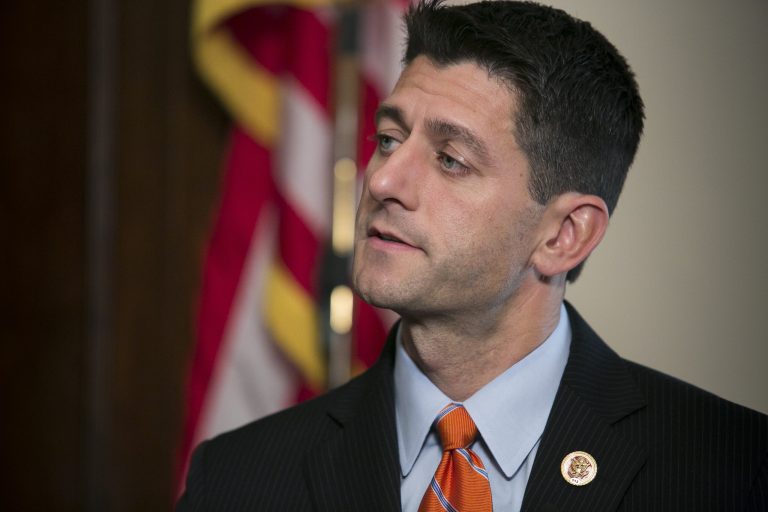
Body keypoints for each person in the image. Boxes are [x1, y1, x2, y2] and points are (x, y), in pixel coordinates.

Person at [177, 1, 768, 510]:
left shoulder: (733, 471)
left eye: (451, 159)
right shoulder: (234, 480)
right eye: (388, 139)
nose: (382, 182)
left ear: (565, 234)